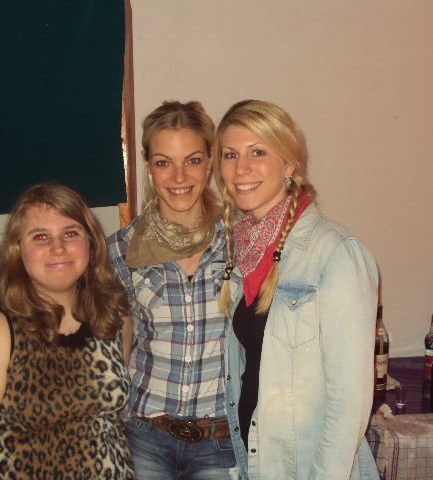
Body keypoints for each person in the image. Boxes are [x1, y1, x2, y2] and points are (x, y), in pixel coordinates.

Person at [213, 100, 380, 480]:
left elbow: (349, 403)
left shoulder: (335, 253)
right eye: (230, 154)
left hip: (309, 468)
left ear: (289, 165)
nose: (241, 168)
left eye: (258, 152)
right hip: (256, 460)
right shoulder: (243, 249)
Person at [0, 182, 135, 479]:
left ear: (90, 241)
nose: (58, 248)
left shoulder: (113, 316)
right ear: (18, 248)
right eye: (40, 237)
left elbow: (114, 423)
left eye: (70, 233)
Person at [107, 101, 239, 479]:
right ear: (147, 164)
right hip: (145, 437)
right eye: (164, 162)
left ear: (210, 161)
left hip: (221, 441)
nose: (179, 176)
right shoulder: (120, 249)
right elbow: (119, 344)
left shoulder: (241, 241)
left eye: (192, 160)